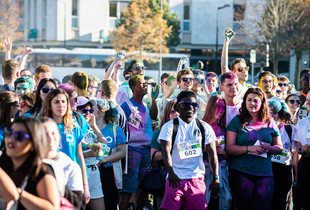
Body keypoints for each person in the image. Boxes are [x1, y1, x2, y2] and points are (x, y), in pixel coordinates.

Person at [159, 90, 220, 210]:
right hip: (175, 179)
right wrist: (171, 172)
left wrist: (216, 177)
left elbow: (212, 154)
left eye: (194, 105)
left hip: (196, 179)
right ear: (177, 107)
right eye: (186, 104)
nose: (190, 107)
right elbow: (165, 152)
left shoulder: (205, 127)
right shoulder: (169, 127)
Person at [226, 87, 283, 210]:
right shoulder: (236, 121)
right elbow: (229, 148)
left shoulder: (270, 123)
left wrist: (269, 148)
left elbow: (279, 148)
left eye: (256, 100)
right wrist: (248, 148)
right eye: (249, 100)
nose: (252, 103)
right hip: (241, 172)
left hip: (265, 174)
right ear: (244, 102)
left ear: (262, 103)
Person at [40, 88, 90, 205]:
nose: (61, 105)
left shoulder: (73, 126)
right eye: (56, 102)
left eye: (64, 101)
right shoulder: (42, 126)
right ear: (50, 105)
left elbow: (79, 156)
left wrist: (85, 186)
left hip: (72, 179)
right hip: (49, 177)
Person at [0, 117, 60, 209]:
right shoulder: (4, 165)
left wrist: (19, 194)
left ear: (34, 143)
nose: (11, 139)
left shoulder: (41, 171)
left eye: (19, 136)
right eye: (9, 133)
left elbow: (52, 207)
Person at [119, 75, 154, 210]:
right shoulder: (126, 106)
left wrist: (154, 100)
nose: (145, 85)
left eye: (145, 83)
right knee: (129, 187)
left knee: (144, 187)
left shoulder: (145, 105)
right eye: (141, 83)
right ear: (133, 87)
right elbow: (121, 127)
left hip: (146, 150)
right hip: (132, 150)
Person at [41, 117, 84, 209]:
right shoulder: (30, 163)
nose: (50, 138)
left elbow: (77, 203)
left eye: (53, 133)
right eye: (45, 134)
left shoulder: (70, 166)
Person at [94, 99, 127, 210]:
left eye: (93, 108)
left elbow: (122, 152)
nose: (89, 111)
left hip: (109, 173)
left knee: (110, 204)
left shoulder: (115, 129)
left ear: (102, 111)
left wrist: (105, 159)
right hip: (92, 171)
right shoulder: (86, 129)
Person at [76, 97, 106, 210]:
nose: (88, 114)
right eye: (84, 110)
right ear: (76, 111)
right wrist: (88, 154)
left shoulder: (90, 127)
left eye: (90, 110)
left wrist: (94, 126)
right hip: (81, 173)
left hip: (94, 173)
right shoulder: (73, 128)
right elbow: (70, 154)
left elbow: (105, 143)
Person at [202, 95, 231, 209]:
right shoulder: (200, 126)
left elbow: (229, 155)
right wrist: (209, 146)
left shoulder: (224, 129)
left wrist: (223, 152)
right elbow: (191, 149)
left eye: (223, 108)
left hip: (222, 174)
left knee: (221, 203)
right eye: (217, 106)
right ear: (210, 106)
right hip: (204, 173)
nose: (220, 111)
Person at [150, 99, 179, 209]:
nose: (176, 114)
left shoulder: (189, 131)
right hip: (164, 178)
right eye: (172, 112)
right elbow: (153, 156)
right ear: (167, 115)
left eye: (178, 111)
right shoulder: (160, 132)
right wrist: (169, 150)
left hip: (184, 177)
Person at [268, 100, 295, 210]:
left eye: (276, 112)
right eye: (270, 113)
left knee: (281, 202)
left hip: (284, 170)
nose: (274, 116)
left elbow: (295, 153)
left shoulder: (289, 129)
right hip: (268, 169)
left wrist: (296, 174)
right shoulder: (263, 128)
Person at [221, 28, 251, 97]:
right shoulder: (232, 85)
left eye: (246, 68)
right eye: (240, 69)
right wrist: (226, 42)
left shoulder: (246, 89)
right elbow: (224, 67)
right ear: (233, 73)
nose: (244, 71)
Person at [293, 90, 310, 209]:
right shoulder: (302, 123)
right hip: (306, 165)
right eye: (308, 100)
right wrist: (301, 149)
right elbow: (297, 147)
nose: (308, 103)